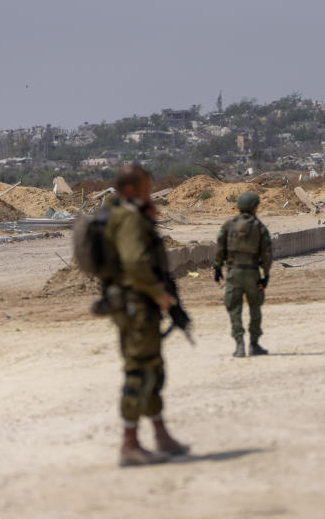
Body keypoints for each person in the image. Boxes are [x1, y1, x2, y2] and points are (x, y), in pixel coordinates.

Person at [104, 164, 189, 466]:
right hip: (136, 305)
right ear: (131, 189)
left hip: (139, 304)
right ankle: (129, 444)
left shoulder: (130, 215)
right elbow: (135, 263)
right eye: (145, 186)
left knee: (153, 369)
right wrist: (158, 294)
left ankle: (161, 434)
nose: (150, 191)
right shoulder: (128, 219)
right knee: (139, 372)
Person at [213, 191, 273, 357]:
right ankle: (254, 344)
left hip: (234, 272)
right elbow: (267, 254)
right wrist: (266, 275)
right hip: (252, 272)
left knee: (234, 308)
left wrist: (217, 268)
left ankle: (239, 345)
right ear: (254, 207)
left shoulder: (228, 225)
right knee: (255, 307)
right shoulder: (259, 227)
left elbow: (219, 248)